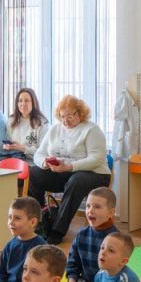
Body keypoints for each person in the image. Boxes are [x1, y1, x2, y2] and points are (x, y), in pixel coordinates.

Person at [29, 95, 111, 244]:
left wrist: (69, 167)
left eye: (69, 116)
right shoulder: (55, 129)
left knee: (76, 180)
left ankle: (57, 230)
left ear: (79, 113)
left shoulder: (91, 129)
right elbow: (38, 154)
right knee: (34, 173)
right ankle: (39, 221)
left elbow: (97, 158)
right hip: (64, 173)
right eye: (62, 117)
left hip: (95, 175)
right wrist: (45, 163)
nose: (65, 120)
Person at [0, 197, 46, 282]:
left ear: (33, 222)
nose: (11, 222)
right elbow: (1, 273)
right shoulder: (10, 245)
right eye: (10, 217)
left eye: (17, 218)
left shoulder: (42, 248)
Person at [65, 187, 119, 282]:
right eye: (88, 206)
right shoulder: (81, 235)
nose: (90, 210)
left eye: (97, 207)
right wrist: (72, 280)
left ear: (111, 213)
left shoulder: (116, 240)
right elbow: (73, 262)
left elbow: (114, 277)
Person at [2, 87, 50, 162]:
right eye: (20, 101)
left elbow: (43, 152)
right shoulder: (11, 120)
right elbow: (6, 144)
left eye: (27, 101)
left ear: (33, 103)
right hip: (13, 160)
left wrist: (22, 148)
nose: (23, 104)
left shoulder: (42, 123)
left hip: (33, 163)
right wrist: (7, 146)